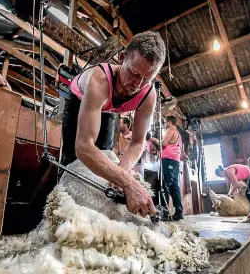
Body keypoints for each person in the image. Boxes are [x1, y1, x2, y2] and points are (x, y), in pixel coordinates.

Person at [61, 31, 166, 218]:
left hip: (108, 108)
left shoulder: (148, 95)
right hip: (81, 98)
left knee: (106, 156)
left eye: (146, 79)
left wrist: (122, 171)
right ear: (122, 57)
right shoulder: (99, 80)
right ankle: (63, 211)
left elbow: (137, 142)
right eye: (134, 73)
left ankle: (102, 214)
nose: (137, 84)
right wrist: (128, 182)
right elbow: (84, 147)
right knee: (72, 161)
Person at [150, 115, 184, 221]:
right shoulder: (178, 133)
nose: (164, 125)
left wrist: (153, 139)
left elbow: (163, 144)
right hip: (175, 161)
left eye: (165, 122)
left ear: (169, 122)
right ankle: (178, 213)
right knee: (174, 186)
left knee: (166, 185)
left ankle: (164, 212)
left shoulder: (171, 129)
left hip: (169, 160)